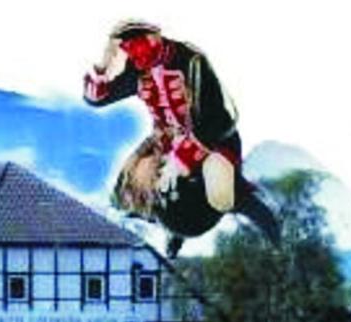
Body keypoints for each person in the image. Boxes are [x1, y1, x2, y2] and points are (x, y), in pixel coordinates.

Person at [83, 20, 279, 257]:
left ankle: (257, 213)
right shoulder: (137, 68)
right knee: (131, 187)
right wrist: (106, 64)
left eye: (138, 41)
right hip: (166, 141)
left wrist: (183, 159)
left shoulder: (193, 61)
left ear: (154, 35)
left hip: (211, 138)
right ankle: (172, 227)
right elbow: (97, 99)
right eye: (128, 46)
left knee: (220, 192)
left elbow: (219, 119)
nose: (134, 53)